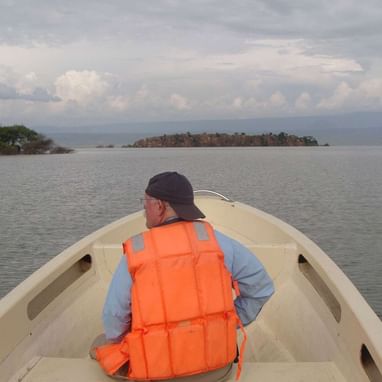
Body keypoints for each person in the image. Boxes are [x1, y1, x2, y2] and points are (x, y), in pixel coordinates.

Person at [95, 172, 274, 381]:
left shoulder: (136, 251)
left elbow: (114, 316)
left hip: (156, 373)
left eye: (145, 203)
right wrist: (228, 321)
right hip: (218, 370)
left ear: (160, 206)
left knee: (101, 344)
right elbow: (261, 289)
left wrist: (124, 339)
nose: (144, 210)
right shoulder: (221, 244)